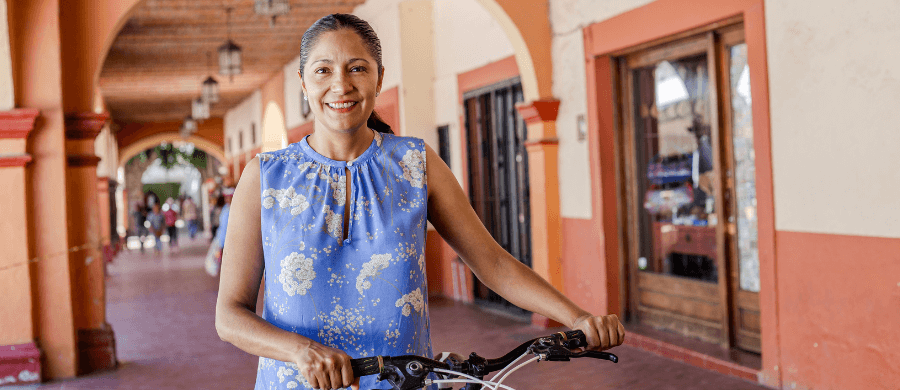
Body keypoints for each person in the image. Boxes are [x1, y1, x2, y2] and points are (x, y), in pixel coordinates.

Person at [215, 14, 624, 390]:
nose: (341, 85)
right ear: (304, 83)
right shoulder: (265, 176)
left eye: (357, 67)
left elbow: (493, 263)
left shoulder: (415, 163)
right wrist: (299, 351)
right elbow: (230, 314)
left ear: (379, 79)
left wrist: (578, 318)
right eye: (323, 70)